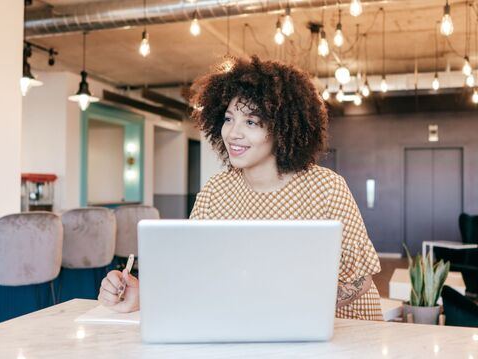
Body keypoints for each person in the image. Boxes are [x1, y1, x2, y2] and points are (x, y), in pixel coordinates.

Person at [99, 55, 383, 320]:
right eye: (228, 118)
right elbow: (194, 270)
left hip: (345, 329)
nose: (233, 133)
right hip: (257, 325)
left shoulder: (326, 188)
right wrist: (144, 296)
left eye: (251, 121)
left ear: (283, 129)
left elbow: (358, 280)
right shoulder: (216, 191)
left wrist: (275, 298)